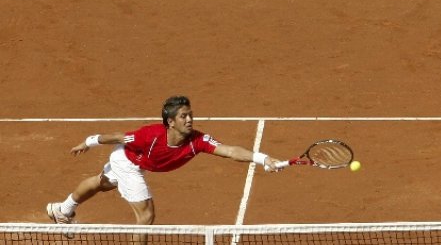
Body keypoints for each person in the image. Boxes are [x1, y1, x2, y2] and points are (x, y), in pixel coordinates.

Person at [46, 95, 282, 228]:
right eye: (183, 116)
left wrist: (263, 158)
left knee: (102, 183)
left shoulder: (197, 140)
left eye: (190, 114)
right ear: (170, 122)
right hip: (128, 162)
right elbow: (119, 137)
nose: (189, 119)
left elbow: (230, 151)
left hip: (136, 163)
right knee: (146, 215)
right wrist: (89, 141)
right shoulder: (149, 135)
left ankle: (62, 210)